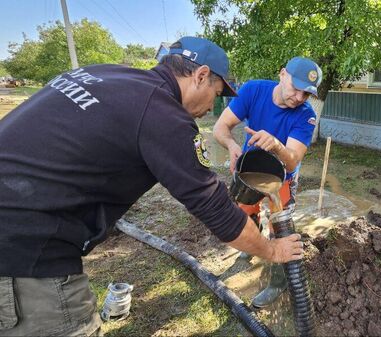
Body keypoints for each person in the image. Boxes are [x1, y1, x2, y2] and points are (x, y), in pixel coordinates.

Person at [0, 37, 303, 337]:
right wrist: (273, 249)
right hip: (23, 248)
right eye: (217, 93)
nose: (213, 105)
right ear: (200, 76)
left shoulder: (105, 73)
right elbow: (215, 208)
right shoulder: (163, 114)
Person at [213, 56, 322, 308]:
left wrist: (275, 144)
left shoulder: (306, 116)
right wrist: (231, 145)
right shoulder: (253, 90)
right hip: (250, 170)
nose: (299, 98)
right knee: (244, 211)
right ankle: (250, 245)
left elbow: (293, 161)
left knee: (280, 228)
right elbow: (221, 126)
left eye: (306, 94)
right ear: (282, 74)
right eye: (296, 88)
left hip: (281, 177)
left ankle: (277, 282)